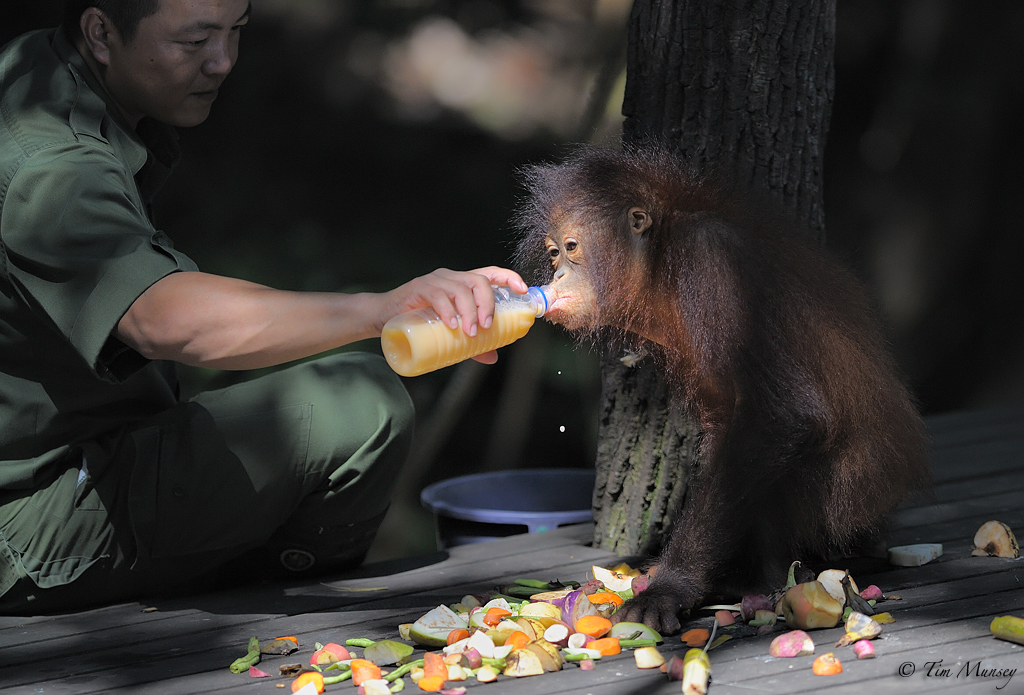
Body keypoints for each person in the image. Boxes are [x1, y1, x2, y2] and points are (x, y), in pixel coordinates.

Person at [0, 0, 527, 615]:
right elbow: (161, 318)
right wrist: (380, 309)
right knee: (358, 408)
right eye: (195, 40)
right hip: (29, 520)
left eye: (236, 32)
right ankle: (256, 638)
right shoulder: (52, 164)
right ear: (101, 32)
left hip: (73, 456)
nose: (222, 62)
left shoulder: (32, 68)